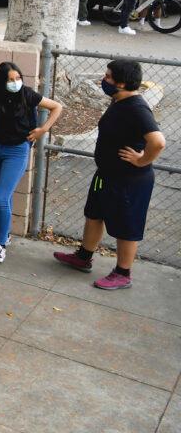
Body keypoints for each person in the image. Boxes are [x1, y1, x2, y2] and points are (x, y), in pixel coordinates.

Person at [53, 59, 168, 290]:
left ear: (122, 83)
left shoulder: (136, 107)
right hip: (106, 175)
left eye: (107, 77)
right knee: (94, 214)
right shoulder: (118, 101)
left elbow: (158, 142)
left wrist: (142, 160)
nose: (102, 80)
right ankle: (83, 257)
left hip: (129, 181)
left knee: (127, 226)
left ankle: (123, 273)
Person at [0, 62, 63, 263]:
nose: (15, 83)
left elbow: (57, 107)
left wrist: (43, 129)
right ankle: (5, 234)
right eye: (11, 80)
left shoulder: (28, 95)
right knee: (5, 194)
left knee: (1, 197)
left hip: (17, 151)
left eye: (18, 78)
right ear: (2, 81)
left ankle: (1, 244)